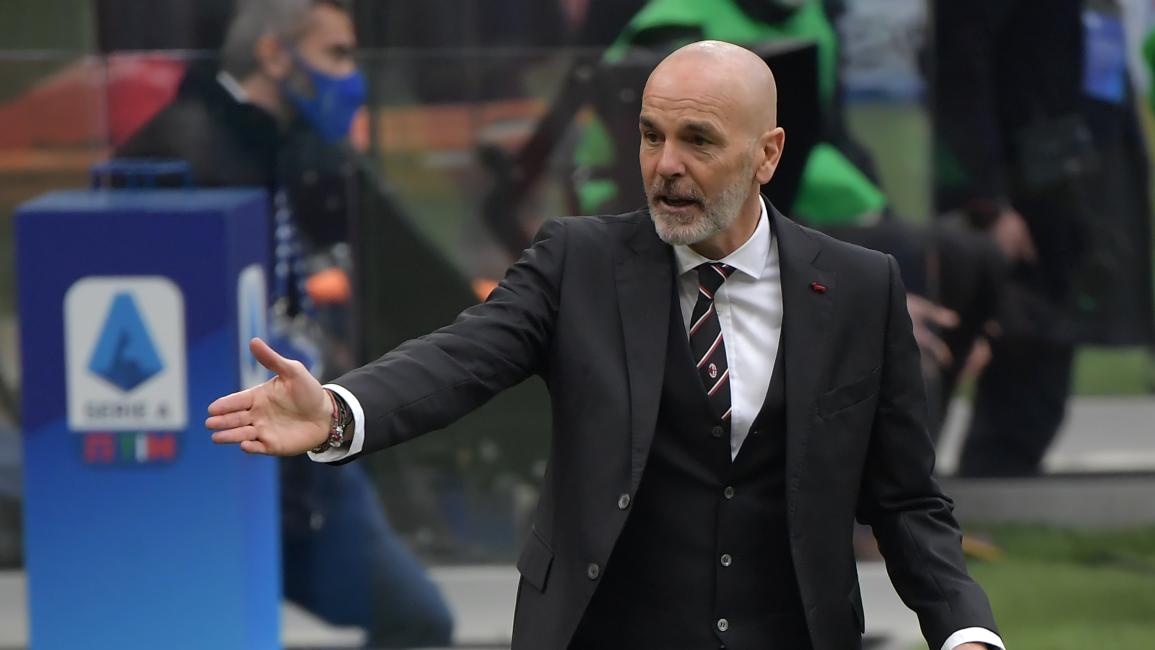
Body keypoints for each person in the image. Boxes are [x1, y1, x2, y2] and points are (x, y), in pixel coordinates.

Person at [207, 41, 1001, 650]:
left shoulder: (861, 289)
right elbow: (460, 359)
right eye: (651, 136)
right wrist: (343, 411)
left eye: (697, 140)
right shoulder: (576, 262)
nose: (665, 167)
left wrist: (963, 628)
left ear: (767, 154)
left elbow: (905, 498)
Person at [118, 1, 455, 646]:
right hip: (219, 475)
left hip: (302, 446)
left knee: (418, 619)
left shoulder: (289, 145)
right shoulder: (182, 156)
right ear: (275, 56)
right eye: (336, 54)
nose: (351, 77)